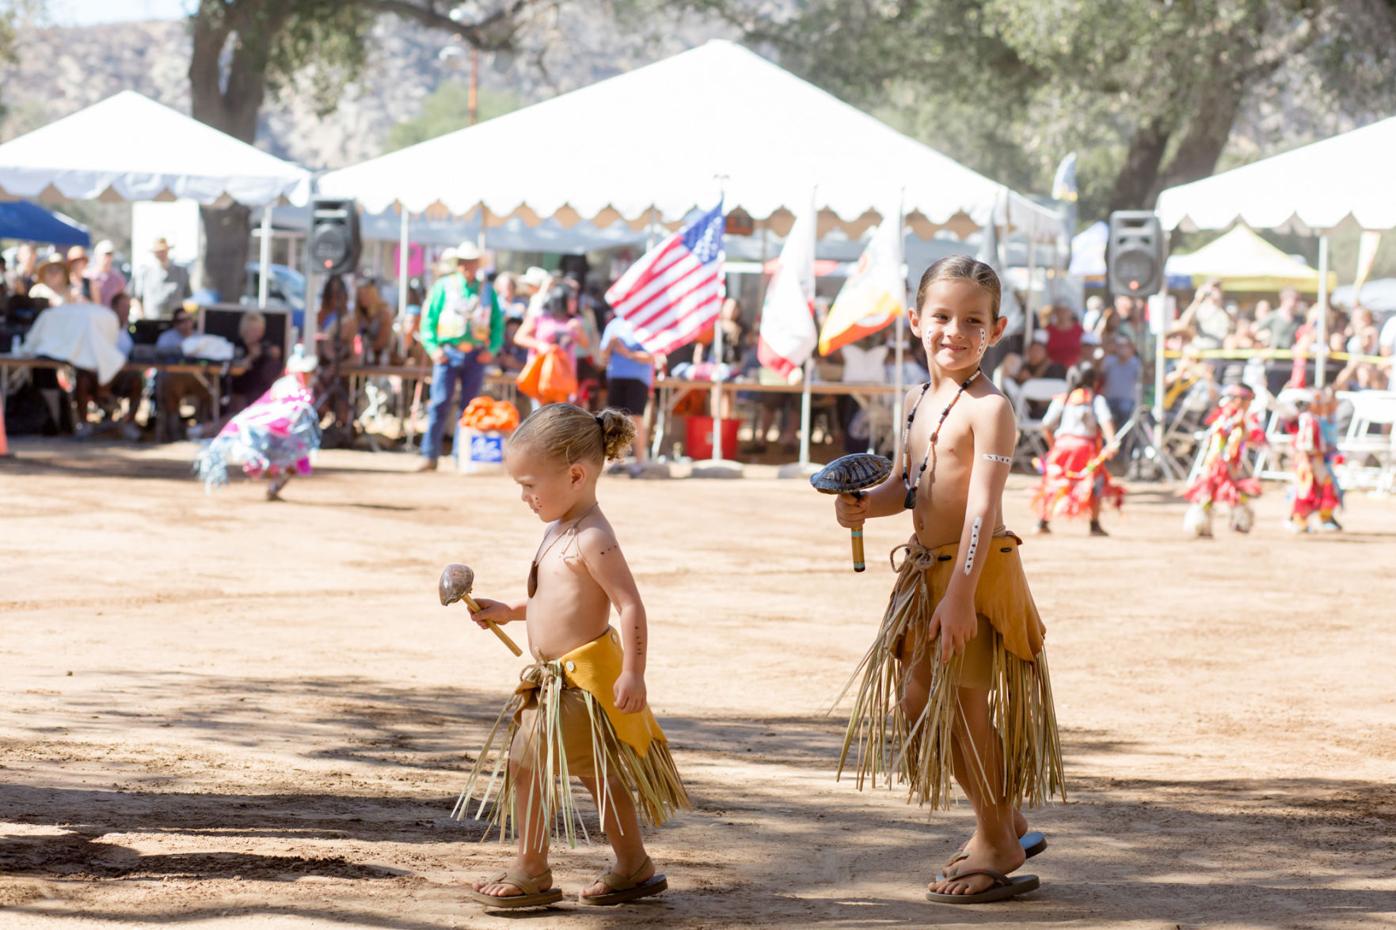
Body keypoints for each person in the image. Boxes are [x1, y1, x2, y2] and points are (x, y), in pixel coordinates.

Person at [832, 256, 1063, 904]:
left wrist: (961, 594)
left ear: (998, 328)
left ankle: (996, 841)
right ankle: (1006, 820)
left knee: (963, 707)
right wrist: (862, 504)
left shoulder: (992, 410)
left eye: (972, 321)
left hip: (976, 577)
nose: (954, 331)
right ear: (914, 321)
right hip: (927, 577)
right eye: (941, 317)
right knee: (915, 703)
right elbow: (908, 488)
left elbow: (982, 509)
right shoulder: (919, 399)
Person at [459, 404, 690, 909]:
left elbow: (629, 604)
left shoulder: (592, 537)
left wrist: (634, 672)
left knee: (528, 766)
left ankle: (532, 869)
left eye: (528, 484)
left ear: (576, 474)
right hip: (553, 683)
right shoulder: (557, 527)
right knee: (597, 776)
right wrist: (509, 610)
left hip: (580, 683)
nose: (523, 496)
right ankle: (633, 865)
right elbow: (552, 600)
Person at [417, 243, 503, 471]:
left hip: (475, 355)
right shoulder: (443, 287)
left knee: (469, 408)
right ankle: (429, 454)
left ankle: (460, 456)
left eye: (472, 261)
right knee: (439, 402)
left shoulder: (487, 290)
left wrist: (491, 350)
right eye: (465, 262)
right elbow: (428, 321)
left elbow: (497, 324)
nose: (468, 266)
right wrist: (433, 348)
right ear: (458, 264)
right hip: (448, 352)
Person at [195, 350, 321, 500]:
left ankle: (273, 489)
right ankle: (268, 480)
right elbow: (279, 410)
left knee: (294, 463)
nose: (312, 375)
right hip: (265, 435)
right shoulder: (286, 385)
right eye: (308, 372)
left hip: (283, 436)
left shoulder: (299, 388)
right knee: (268, 463)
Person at [1033, 360, 1123, 536]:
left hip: (1062, 446)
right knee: (1094, 482)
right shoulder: (1096, 399)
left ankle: (1042, 521)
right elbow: (1106, 422)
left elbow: (1046, 425)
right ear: (1094, 380)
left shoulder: (1063, 399)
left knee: (1053, 481)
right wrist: (1112, 443)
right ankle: (1094, 524)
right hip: (1086, 447)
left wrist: (1054, 445)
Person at [1182, 383, 1265, 537]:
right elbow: (1222, 440)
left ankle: (1239, 521)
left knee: (1229, 494)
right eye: (1248, 400)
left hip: (1229, 464)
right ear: (1238, 400)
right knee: (1209, 494)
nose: (1250, 404)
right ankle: (1199, 525)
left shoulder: (1240, 418)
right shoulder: (1226, 417)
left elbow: (1249, 437)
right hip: (1218, 463)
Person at [599, 312, 659, 469]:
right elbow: (603, 356)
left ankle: (640, 460)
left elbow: (652, 356)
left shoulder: (647, 324)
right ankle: (613, 459)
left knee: (635, 418)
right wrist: (611, 345)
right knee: (613, 419)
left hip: (638, 378)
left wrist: (627, 353)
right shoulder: (614, 325)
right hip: (616, 377)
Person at [1285, 388, 1343, 533]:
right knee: (1306, 490)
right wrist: (1307, 460)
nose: (1322, 405)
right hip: (1310, 461)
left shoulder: (1311, 418)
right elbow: (1305, 443)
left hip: (1313, 460)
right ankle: (1299, 520)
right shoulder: (1308, 419)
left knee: (1322, 488)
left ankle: (1320, 518)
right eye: (1318, 402)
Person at [229, 310, 283, 413]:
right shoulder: (238, 346)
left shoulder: (264, 345)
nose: (257, 333)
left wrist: (274, 354)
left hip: (262, 391)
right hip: (241, 391)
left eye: (260, 330)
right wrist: (251, 357)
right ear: (245, 329)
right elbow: (236, 369)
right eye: (254, 329)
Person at [129, 238, 192, 321]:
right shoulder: (144, 272)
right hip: (152, 320)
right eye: (158, 251)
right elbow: (135, 298)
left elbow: (188, 297)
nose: (161, 254)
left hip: (175, 322)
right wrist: (141, 316)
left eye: (163, 251)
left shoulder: (181, 272)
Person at [1100, 334, 1142, 426]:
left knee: (1125, 409)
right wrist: (1107, 350)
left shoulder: (1136, 364)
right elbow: (1099, 372)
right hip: (1110, 400)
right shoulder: (1109, 361)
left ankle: (1123, 439)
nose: (1121, 349)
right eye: (1119, 346)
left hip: (1128, 401)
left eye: (1124, 346)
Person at [87, 240, 126, 309]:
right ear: (97, 255)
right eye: (105, 254)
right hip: (93, 316)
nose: (107, 258)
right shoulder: (88, 276)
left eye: (110, 254)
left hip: (112, 317)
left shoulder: (118, 279)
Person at [1042, 304, 1083, 368]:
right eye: (1059, 311)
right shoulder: (1047, 330)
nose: (1063, 313)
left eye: (1065, 310)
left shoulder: (1080, 330)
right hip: (1053, 369)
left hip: (1074, 367)